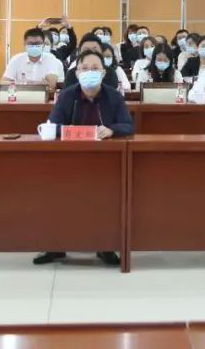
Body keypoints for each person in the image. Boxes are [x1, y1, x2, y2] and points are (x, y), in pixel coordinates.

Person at [35, 49, 133, 267]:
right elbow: (52, 125)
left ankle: (105, 247)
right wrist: (69, 131)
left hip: (105, 160)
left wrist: (112, 130)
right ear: (77, 72)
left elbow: (128, 125)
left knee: (105, 201)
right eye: (85, 68)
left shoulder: (113, 96)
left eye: (95, 68)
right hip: (69, 159)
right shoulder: (68, 95)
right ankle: (55, 247)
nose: (90, 72)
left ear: (104, 72)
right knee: (60, 200)